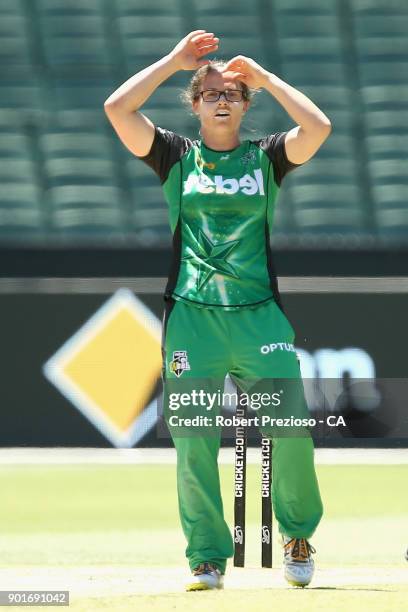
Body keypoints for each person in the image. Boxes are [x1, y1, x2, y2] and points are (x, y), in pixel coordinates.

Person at [105, 30, 331, 591]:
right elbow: (117, 108)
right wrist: (175, 61)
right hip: (192, 319)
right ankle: (207, 556)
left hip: (259, 318)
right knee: (194, 440)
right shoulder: (175, 156)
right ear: (196, 105)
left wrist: (268, 78)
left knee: (290, 432)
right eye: (210, 92)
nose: (222, 98)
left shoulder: (268, 157)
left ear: (246, 102)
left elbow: (319, 128)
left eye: (232, 90)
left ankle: (297, 535)